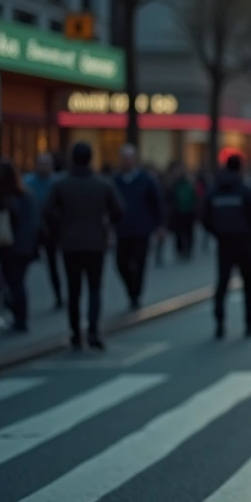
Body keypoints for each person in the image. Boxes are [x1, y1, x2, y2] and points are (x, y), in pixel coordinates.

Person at [43, 143, 124, 350]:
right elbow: (119, 210)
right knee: (95, 288)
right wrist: (105, 223)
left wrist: (60, 227)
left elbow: (47, 211)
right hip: (96, 242)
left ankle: (75, 333)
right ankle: (94, 330)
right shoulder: (102, 184)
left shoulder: (62, 184)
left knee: (74, 289)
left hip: (70, 243)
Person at [202, 156, 251, 339]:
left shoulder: (215, 190)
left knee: (222, 284)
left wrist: (217, 233)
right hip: (245, 242)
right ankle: (249, 322)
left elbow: (205, 216)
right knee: (248, 285)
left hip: (224, 242)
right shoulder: (246, 190)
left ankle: (220, 324)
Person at [111, 145, 165, 309]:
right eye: (124, 158)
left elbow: (157, 203)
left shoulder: (146, 179)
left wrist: (160, 226)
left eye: (129, 158)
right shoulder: (116, 180)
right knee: (121, 263)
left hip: (142, 229)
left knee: (140, 263)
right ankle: (131, 289)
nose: (126, 161)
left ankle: (136, 294)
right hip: (122, 229)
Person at [0, 161, 41, 332]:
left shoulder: (5, 198)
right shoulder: (26, 196)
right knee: (17, 283)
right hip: (24, 247)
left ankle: (20, 320)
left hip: (11, 247)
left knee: (15, 283)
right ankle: (19, 317)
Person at [23, 153, 62, 308]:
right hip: (31, 229)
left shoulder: (57, 183)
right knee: (22, 265)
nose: (43, 167)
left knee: (53, 265)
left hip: (51, 229)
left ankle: (58, 295)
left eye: (46, 164)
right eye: (41, 163)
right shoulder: (27, 182)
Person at [165, 162, 199, 261]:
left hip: (189, 211)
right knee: (178, 233)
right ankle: (180, 249)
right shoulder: (172, 184)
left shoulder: (189, 182)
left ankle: (188, 249)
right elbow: (168, 197)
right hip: (177, 212)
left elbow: (194, 196)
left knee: (189, 232)